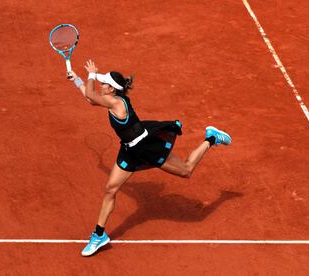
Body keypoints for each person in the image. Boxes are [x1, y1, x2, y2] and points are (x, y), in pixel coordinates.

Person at [68, 60, 232, 257]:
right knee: (111, 188)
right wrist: (77, 80)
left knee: (186, 171)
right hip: (130, 150)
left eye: (104, 83)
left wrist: (92, 75)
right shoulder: (110, 99)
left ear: (112, 90)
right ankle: (99, 235)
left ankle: (211, 138)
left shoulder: (116, 103)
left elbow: (92, 94)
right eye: (101, 82)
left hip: (148, 148)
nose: (101, 85)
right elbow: (90, 99)